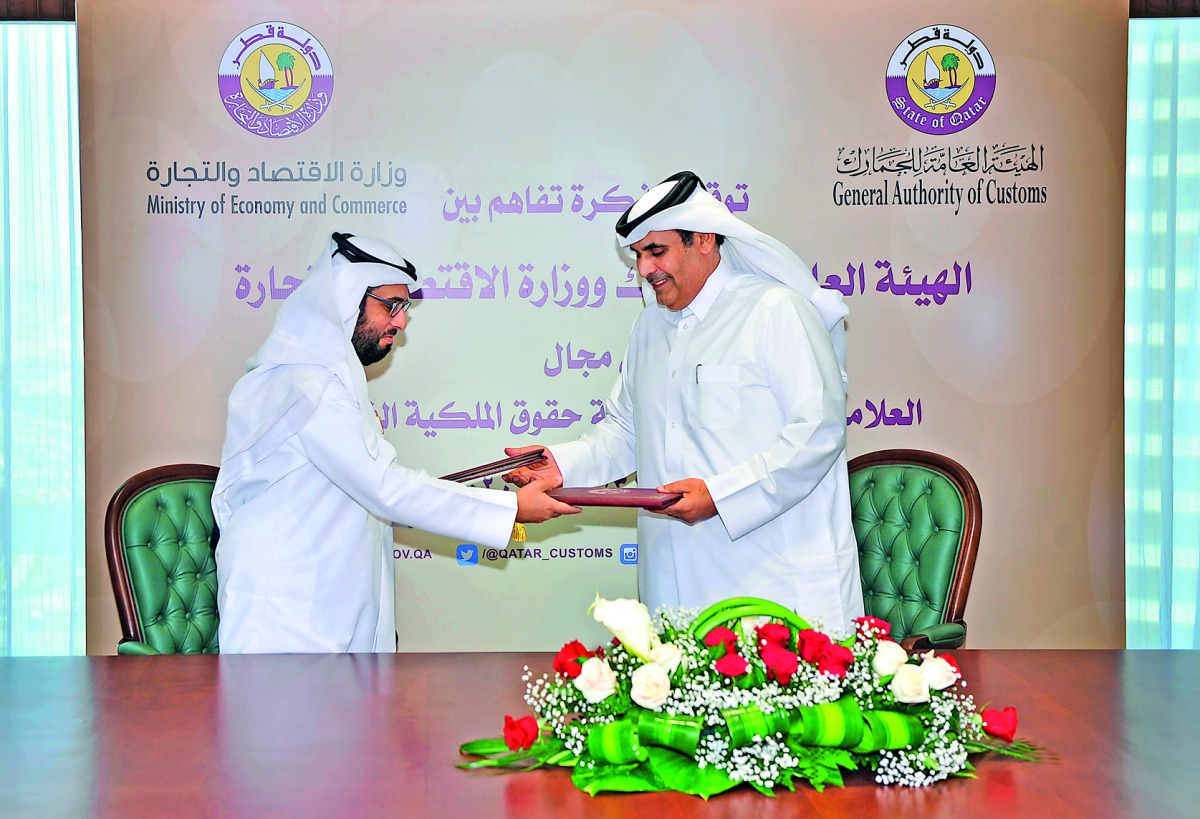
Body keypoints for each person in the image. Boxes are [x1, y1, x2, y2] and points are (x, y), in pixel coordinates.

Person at [507, 172, 864, 633]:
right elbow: (626, 429)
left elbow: (818, 431)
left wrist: (720, 494)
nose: (644, 269)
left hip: (770, 571)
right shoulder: (649, 329)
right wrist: (562, 465)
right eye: (637, 255)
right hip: (674, 575)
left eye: (657, 251)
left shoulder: (774, 311)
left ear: (705, 240)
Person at [212, 231, 577, 653]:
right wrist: (511, 508)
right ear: (346, 299)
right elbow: (385, 489)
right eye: (393, 306)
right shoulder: (306, 384)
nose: (401, 322)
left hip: (327, 604)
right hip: (285, 615)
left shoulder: (328, 381)